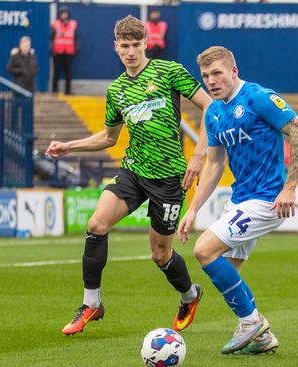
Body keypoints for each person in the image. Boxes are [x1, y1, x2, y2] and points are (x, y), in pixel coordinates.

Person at [46, 15, 211, 336]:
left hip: (168, 178)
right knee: (96, 224)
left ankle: (190, 295)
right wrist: (69, 146)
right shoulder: (117, 89)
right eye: (125, 46)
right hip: (134, 171)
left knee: (159, 254)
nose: (131, 51)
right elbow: (108, 138)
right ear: (116, 47)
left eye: (136, 45)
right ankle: (91, 303)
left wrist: (199, 153)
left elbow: (209, 106)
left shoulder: (169, 72)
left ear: (146, 43)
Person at [177, 46, 298, 355]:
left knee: (204, 250)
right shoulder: (213, 112)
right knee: (224, 267)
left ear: (233, 71)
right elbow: (214, 164)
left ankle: (252, 322)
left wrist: (290, 187)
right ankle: (260, 337)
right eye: (206, 76)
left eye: (217, 73)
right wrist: (193, 209)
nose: (211, 81)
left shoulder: (259, 97)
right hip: (240, 199)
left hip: (267, 198)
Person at [50, 6, 78, 95]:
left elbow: (76, 38)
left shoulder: (73, 24)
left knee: (68, 73)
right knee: (56, 72)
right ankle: (54, 90)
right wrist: (51, 49)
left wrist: (76, 49)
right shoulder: (56, 24)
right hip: (57, 52)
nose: (64, 15)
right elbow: (51, 37)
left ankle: (68, 90)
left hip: (68, 52)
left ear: (68, 15)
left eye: (66, 13)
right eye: (62, 13)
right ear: (60, 14)